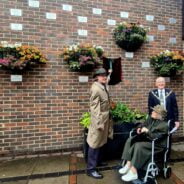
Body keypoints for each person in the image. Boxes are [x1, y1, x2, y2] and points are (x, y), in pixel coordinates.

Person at [119, 105, 168, 182]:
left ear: (159, 115)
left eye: (154, 111)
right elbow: (143, 124)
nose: (152, 112)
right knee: (130, 140)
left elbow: (157, 137)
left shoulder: (164, 125)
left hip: (157, 145)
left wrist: (147, 131)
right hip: (148, 141)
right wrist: (139, 128)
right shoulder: (150, 119)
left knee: (138, 146)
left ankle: (133, 172)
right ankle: (128, 164)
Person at [86, 68, 113, 179]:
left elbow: (108, 81)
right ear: (96, 77)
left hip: (105, 118)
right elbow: (94, 108)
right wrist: (99, 123)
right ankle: (91, 169)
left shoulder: (103, 85)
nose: (104, 77)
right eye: (101, 75)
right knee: (95, 143)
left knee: (102, 141)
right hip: (99, 119)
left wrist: (110, 74)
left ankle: (98, 162)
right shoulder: (96, 89)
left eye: (105, 75)